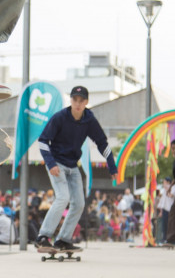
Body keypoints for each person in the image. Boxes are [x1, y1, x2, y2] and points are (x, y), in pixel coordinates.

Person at [33, 86, 118, 251]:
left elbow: (102, 143)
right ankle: (42, 236)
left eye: (82, 101)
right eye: (75, 100)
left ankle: (63, 240)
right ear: (70, 100)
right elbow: (43, 141)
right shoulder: (60, 118)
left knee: (79, 204)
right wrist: (50, 163)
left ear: (86, 102)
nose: (78, 104)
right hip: (57, 164)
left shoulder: (89, 120)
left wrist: (112, 166)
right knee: (63, 198)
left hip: (73, 166)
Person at [156, 178, 175, 243]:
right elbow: (162, 201)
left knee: (169, 225)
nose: (163, 184)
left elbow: (171, 195)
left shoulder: (172, 188)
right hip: (164, 209)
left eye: (164, 182)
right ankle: (164, 238)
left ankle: (168, 238)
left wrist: (168, 188)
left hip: (170, 209)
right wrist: (161, 211)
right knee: (164, 225)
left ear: (168, 182)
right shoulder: (164, 190)